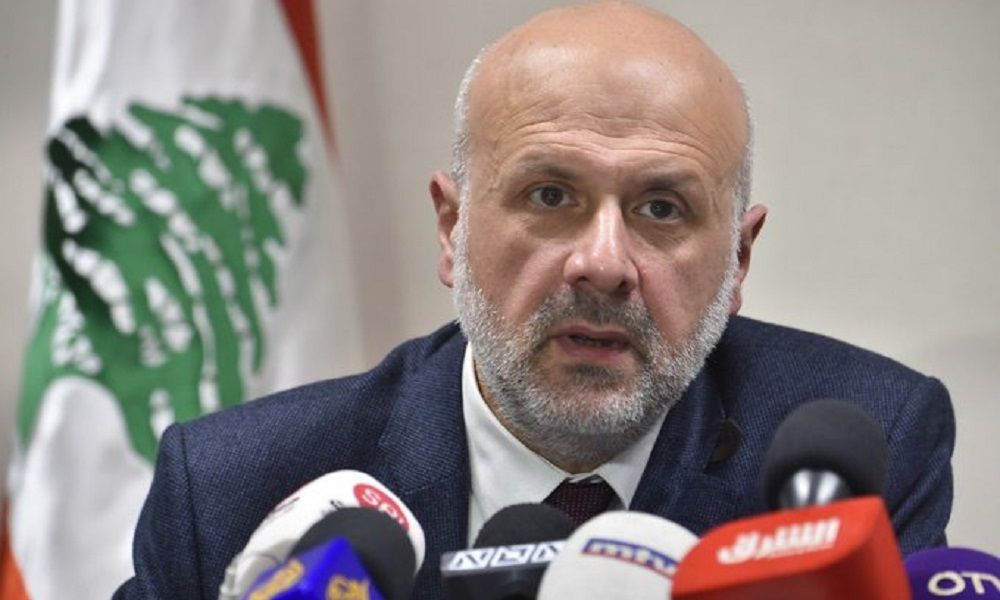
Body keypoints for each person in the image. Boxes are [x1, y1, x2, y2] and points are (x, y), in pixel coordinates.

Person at [114, 2, 954, 598]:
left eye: (663, 209)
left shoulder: (863, 456)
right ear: (452, 229)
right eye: (550, 196)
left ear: (737, 259)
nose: (603, 264)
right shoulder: (231, 490)